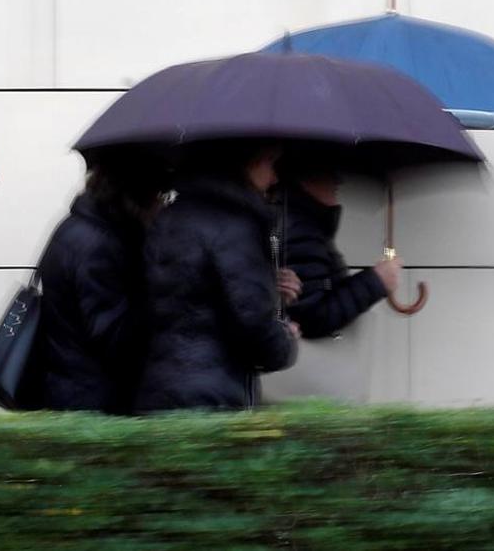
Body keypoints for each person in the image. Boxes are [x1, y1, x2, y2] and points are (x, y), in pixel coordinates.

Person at [135, 141, 300, 412]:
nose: (275, 177)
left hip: (159, 390)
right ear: (245, 163)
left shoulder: (169, 217)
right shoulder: (236, 226)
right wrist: (286, 339)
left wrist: (269, 283)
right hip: (213, 398)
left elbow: (193, 295)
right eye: (270, 162)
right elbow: (254, 325)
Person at [35, 150, 168, 414]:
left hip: (73, 391)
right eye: (158, 195)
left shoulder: (77, 228)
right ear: (136, 194)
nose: (161, 205)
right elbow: (116, 338)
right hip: (96, 405)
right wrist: (157, 289)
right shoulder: (100, 246)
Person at [276, 160, 404, 339]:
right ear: (305, 177)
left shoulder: (304, 224)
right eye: (328, 172)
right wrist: (376, 281)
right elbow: (312, 317)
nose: (338, 181)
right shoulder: (298, 229)